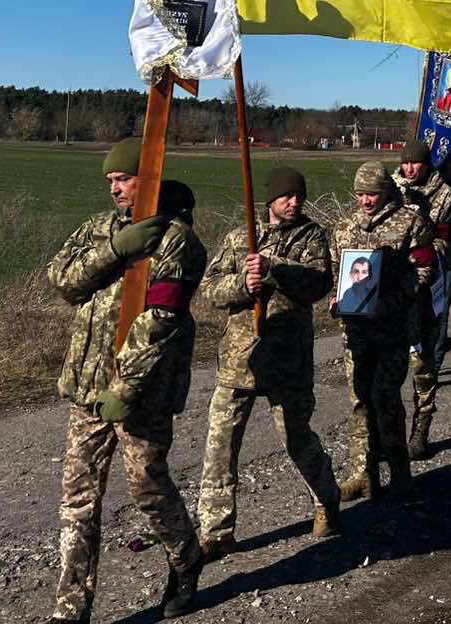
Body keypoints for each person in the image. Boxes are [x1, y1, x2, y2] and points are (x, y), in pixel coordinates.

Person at [45, 140, 206, 623]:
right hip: (86, 388)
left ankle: (185, 557)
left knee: (147, 487)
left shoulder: (177, 240)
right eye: (110, 181)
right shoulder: (98, 229)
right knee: (78, 501)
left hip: (142, 394)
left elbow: (162, 318)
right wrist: (114, 251)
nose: (116, 188)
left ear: (149, 176)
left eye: (125, 179)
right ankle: (70, 609)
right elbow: (61, 279)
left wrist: (127, 386)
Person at [196, 166, 342, 563]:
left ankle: (327, 499)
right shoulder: (239, 238)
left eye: (299, 196)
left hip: (288, 359)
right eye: (287, 197)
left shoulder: (311, 236)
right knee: (220, 446)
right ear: (271, 200)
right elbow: (211, 289)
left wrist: (274, 268)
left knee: (296, 438)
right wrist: (243, 285)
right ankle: (215, 531)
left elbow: (318, 282)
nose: (294, 203)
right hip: (239, 359)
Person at [330, 161, 435, 501]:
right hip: (355, 331)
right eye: (360, 194)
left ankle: (399, 469)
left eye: (372, 194)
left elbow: (424, 271)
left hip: (392, 329)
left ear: (386, 191)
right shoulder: (344, 227)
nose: (365, 201)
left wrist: (391, 301)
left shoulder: (411, 223)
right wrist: (337, 298)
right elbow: (336, 269)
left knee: (385, 399)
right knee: (359, 401)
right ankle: (362, 473)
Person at [393, 139, 451, 460]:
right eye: (405, 163)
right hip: (392, 287)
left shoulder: (444, 193)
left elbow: (442, 241)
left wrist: (419, 229)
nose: (409, 169)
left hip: (425, 285)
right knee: (389, 367)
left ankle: (421, 429)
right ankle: (386, 435)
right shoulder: (390, 184)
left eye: (415, 163)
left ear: (426, 164)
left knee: (423, 363)